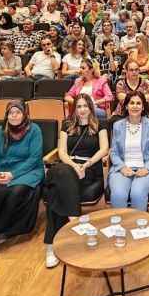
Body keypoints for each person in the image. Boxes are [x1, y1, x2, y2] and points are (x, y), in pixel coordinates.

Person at [43, 94, 109, 268]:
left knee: (53, 194)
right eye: (78, 106)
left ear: (91, 108)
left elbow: (104, 149)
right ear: (75, 109)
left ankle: (50, 246)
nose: (82, 110)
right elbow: (62, 152)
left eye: (85, 106)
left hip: (89, 168)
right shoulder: (67, 125)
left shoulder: (100, 124)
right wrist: (73, 165)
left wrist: (85, 165)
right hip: (67, 165)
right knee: (62, 173)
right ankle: (74, 218)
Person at [0, 100, 44, 259]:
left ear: (24, 113)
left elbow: (34, 158)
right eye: (10, 113)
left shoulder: (34, 130)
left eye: (17, 112)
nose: (14, 116)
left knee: (16, 191)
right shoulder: (0, 131)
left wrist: (13, 175)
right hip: (3, 170)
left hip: (29, 170)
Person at [108, 91, 149, 211]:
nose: (135, 106)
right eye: (132, 103)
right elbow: (114, 152)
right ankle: (120, 228)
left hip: (146, 167)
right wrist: (122, 167)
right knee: (118, 195)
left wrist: (146, 168)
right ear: (126, 106)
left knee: (137, 194)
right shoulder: (117, 125)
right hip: (123, 168)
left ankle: (139, 227)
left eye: (138, 103)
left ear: (143, 107)